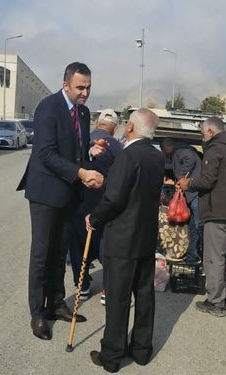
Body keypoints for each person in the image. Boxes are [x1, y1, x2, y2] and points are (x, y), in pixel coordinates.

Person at [16, 62, 105, 341]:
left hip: (69, 193)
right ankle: (37, 313)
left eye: (89, 87)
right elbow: (45, 154)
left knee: (60, 252)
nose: (85, 93)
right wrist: (81, 172)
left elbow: (75, 149)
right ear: (66, 84)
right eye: (80, 87)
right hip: (45, 192)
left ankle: (55, 303)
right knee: (42, 253)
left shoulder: (84, 111)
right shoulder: (48, 107)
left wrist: (89, 153)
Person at [86, 108, 164, 373]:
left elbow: (115, 198)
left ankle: (112, 355)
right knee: (144, 295)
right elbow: (137, 188)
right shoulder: (156, 156)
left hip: (123, 237)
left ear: (130, 127)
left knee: (118, 299)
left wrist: (94, 218)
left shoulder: (127, 155)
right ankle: (142, 350)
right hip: (145, 237)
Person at [177, 117, 226, 317]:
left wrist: (188, 184)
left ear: (210, 131)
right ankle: (225, 296)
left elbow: (207, 181)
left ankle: (215, 302)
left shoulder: (216, 149)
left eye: (202, 133)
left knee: (214, 258)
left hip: (219, 211)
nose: (202, 137)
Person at [66, 109, 123, 305]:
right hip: (104, 203)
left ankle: (82, 285)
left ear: (97, 123)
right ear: (114, 128)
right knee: (105, 244)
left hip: (79, 202)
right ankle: (108, 288)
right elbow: (120, 179)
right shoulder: (117, 147)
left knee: (78, 244)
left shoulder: (82, 140)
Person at [160, 137, 202, 265]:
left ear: (167, 146)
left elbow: (191, 159)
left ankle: (194, 254)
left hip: (194, 194)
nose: (162, 152)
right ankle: (191, 254)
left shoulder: (181, 150)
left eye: (162, 149)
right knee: (193, 225)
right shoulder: (180, 151)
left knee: (196, 225)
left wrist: (181, 178)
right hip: (193, 193)